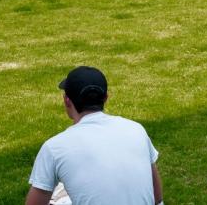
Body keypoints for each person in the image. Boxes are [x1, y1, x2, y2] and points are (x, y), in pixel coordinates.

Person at [25, 66, 161, 205]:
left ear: (66, 100)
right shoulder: (136, 129)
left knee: (59, 195)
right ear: (106, 98)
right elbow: (157, 199)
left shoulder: (54, 148)